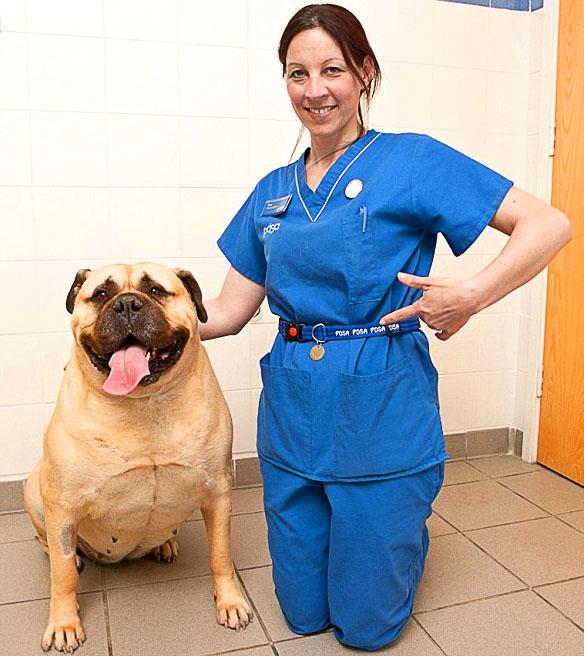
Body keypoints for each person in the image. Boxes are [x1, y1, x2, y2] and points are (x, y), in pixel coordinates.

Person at [199, 4, 572, 651]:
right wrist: (141, 323)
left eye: (332, 69)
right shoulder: (272, 191)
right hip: (292, 407)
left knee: (367, 628)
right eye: (297, 73)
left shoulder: (412, 161)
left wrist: (472, 293)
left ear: (364, 72)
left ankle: (396, 529)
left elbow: (550, 224)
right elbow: (228, 312)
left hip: (380, 402)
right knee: (302, 614)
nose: (314, 89)